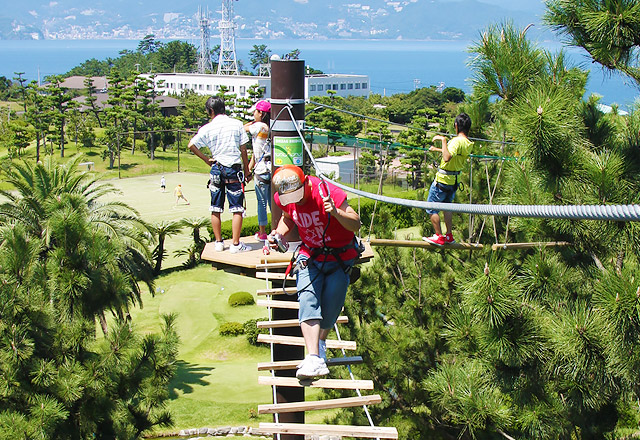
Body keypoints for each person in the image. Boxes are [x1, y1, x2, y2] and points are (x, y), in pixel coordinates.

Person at [269, 165, 362, 379]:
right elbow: (288, 217)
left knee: (330, 309)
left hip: (340, 256)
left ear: (305, 184)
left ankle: (319, 344)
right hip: (309, 255)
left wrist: (336, 212)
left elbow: (355, 224)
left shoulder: (327, 192)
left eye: (298, 196)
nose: (296, 201)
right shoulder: (284, 198)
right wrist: (280, 234)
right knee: (308, 301)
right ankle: (312, 357)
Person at [188, 96, 252, 254]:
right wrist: (247, 170)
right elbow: (243, 150)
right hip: (234, 169)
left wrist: (206, 160)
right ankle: (236, 244)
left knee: (216, 208)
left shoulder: (207, 128)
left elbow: (191, 144)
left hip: (216, 168)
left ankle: (218, 243)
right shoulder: (237, 124)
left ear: (211, 111)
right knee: (237, 208)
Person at [423, 113, 473, 246]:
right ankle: (449, 235)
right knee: (447, 207)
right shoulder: (468, 143)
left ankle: (439, 236)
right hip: (454, 181)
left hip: (443, 180)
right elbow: (453, 154)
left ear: (456, 126)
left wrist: (443, 140)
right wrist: (439, 149)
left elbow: (447, 157)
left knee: (431, 208)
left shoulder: (455, 141)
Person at [244, 100, 272, 241]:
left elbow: (243, 128)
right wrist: (248, 171)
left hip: (261, 171)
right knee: (273, 203)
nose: (253, 115)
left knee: (261, 203)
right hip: (271, 169)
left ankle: (262, 233)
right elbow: (256, 155)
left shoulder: (259, 126)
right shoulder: (271, 125)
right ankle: (276, 229)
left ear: (261, 113)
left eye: (255, 112)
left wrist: (252, 122)